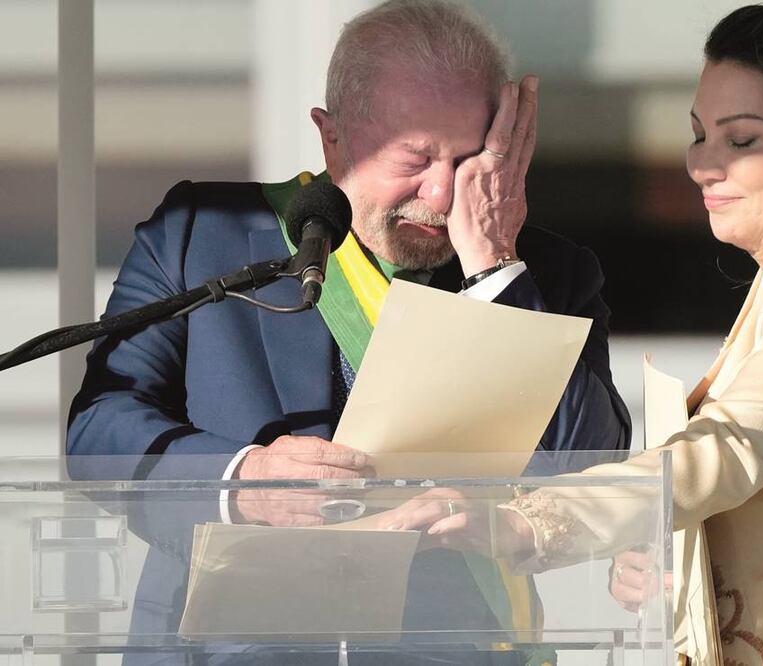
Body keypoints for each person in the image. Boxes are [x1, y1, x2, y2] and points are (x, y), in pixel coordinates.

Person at [375, 4, 763, 665]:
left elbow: (732, 446)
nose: (703, 166)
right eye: (698, 136)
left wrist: (527, 521)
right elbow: (759, 491)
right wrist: (674, 553)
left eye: (740, 140)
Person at [66, 0, 630, 663]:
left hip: (453, 649)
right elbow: (98, 430)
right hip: (228, 647)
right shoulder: (202, 235)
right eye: (415, 157)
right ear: (331, 137)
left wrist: (496, 269)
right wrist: (244, 479)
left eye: (472, 158)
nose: (443, 193)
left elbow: (586, 472)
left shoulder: (548, 277)